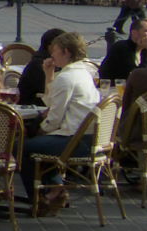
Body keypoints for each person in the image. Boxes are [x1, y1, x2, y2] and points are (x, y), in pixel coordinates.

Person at [21, 31, 99, 215]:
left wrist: (40, 129)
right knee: (40, 145)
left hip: (74, 140)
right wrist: (49, 73)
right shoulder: (83, 72)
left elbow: (54, 118)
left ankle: (38, 200)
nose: (51, 55)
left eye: (54, 51)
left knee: (24, 148)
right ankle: (56, 189)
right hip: (89, 138)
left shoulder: (66, 77)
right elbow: (54, 102)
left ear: (65, 52)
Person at [17, 28, 66, 106]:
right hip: (33, 107)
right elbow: (47, 90)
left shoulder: (45, 60)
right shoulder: (39, 64)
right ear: (51, 47)